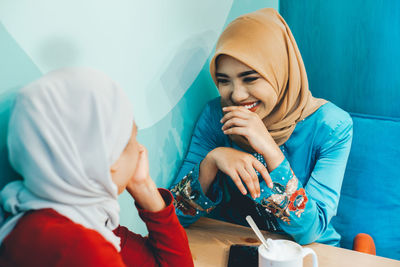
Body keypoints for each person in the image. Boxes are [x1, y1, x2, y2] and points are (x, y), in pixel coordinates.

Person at [170, 8, 353, 246]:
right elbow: (172, 215)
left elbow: (310, 231)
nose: (236, 95)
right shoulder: (217, 115)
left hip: (311, 253)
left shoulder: (331, 126)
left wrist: (270, 149)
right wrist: (211, 162)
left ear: (280, 71)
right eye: (224, 80)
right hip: (235, 244)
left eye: (250, 78)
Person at [0, 68, 194, 267]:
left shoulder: (81, 218)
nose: (140, 151)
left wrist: (143, 186)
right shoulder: (80, 249)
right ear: (106, 159)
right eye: (130, 141)